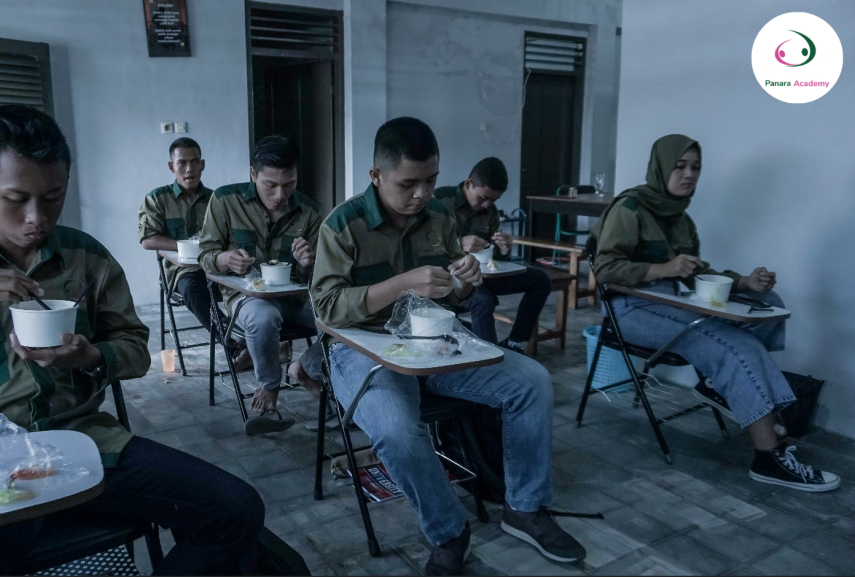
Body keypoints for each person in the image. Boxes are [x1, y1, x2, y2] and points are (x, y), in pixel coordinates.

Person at [0, 104, 265, 575]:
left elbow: (135, 349)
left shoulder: (87, 259)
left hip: (81, 445)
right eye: (15, 200)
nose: (36, 218)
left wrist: (92, 356)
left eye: (53, 197)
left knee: (235, 510)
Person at [311, 117, 586, 575]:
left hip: (431, 341)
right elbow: (326, 308)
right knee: (397, 429)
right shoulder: (343, 225)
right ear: (376, 176)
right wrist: (401, 284)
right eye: (408, 183)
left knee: (532, 381)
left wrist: (465, 282)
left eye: (431, 180)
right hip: (360, 346)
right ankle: (448, 531)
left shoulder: (439, 216)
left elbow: (456, 296)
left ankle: (525, 507)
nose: (422, 194)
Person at [591, 133, 840, 492]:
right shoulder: (630, 208)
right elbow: (605, 270)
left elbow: (696, 273)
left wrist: (744, 282)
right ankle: (768, 457)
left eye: (696, 167)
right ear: (661, 167)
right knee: (734, 344)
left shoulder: (681, 218)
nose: (689, 174)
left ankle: (718, 385)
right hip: (629, 308)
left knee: (770, 303)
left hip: (674, 301)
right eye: (680, 166)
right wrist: (663, 269)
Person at [198, 135, 322, 433]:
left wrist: (307, 264)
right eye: (271, 184)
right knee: (264, 317)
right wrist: (226, 259)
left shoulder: (308, 211)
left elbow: (317, 275)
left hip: (295, 298)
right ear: (253, 174)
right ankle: (269, 385)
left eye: (289, 184)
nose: (280, 195)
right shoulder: (226, 200)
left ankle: (305, 369)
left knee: (343, 316)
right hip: (246, 297)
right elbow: (204, 256)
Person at [433, 157, 552, 352]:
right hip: (449, 277)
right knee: (483, 299)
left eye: (494, 200)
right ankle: (488, 356)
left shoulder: (491, 212)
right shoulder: (440, 200)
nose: (487, 204)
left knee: (540, 280)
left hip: (482, 277)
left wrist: (503, 250)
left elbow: (493, 262)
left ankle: (514, 342)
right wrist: (458, 243)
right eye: (483, 198)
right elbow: (425, 243)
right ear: (468, 183)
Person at [138, 137, 224, 332]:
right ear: (171, 167)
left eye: (195, 162)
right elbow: (148, 240)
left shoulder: (216, 198)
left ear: (202, 165)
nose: (189, 169)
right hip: (181, 272)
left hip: (216, 266)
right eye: (182, 163)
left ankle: (256, 340)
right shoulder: (158, 199)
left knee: (248, 284)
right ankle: (233, 343)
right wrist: (187, 247)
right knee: (194, 289)